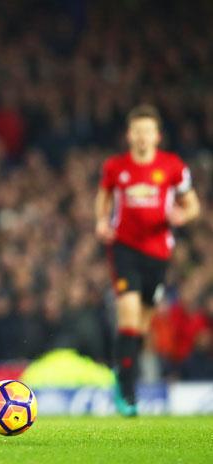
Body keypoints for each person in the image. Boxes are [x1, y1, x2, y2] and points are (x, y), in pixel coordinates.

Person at [95, 104, 200, 416]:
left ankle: (121, 372)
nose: (142, 137)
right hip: (125, 249)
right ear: (130, 135)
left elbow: (192, 203)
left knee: (140, 327)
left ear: (157, 136)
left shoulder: (172, 167)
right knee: (127, 317)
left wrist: (183, 214)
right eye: (137, 131)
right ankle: (126, 392)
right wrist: (101, 221)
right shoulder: (116, 167)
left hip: (158, 254)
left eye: (147, 131)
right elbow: (103, 197)